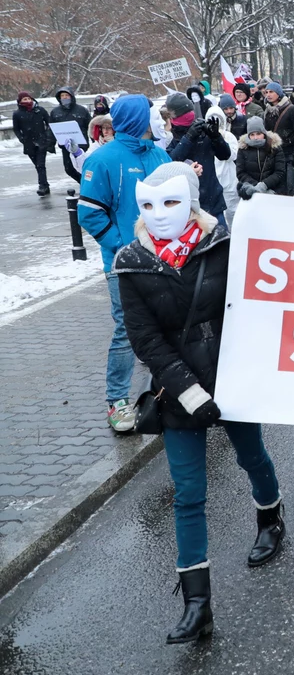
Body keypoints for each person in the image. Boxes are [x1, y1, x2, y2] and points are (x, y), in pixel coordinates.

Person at [114, 162, 285, 644]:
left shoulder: (224, 243)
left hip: (232, 378)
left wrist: (264, 211)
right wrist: (190, 392)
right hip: (179, 388)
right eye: (148, 205)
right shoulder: (132, 262)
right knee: (188, 493)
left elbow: (264, 291)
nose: (159, 214)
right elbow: (145, 340)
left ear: (191, 200)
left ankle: (271, 518)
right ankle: (197, 604)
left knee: (253, 457)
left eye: (170, 202)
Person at [78, 95, 172, 432]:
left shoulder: (159, 154)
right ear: (135, 119)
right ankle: (117, 401)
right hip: (124, 265)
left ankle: (167, 390)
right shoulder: (102, 159)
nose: (154, 121)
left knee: (167, 325)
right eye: (147, 116)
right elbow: (88, 213)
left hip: (164, 260)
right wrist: (123, 247)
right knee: (126, 331)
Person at [165, 92, 229, 224]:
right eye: (185, 113)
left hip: (213, 202)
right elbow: (170, 163)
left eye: (190, 111)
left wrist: (216, 137)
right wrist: (188, 138)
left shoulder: (202, 130)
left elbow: (225, 155)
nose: (189, 116)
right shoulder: (170, 137)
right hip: (188, 208)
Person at [261, 81, 294, 196]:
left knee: (291, 187)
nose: (268, 95)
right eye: (266, 92)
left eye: (271, 92)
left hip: (290, 153)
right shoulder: (267, 111)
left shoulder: (292, 109)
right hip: (275, 154)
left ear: (278, 94)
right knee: (279, 187)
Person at [12, 91, 55, 196]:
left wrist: (47, 136)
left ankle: (42, 186)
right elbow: (16, 129)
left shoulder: (40, 110)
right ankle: (45, 184)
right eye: (24, 99)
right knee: (37, 165)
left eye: (29, 98)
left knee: (40, 165)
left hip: (41, 141)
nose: (27, 101)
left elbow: (49, 123)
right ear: (20, 101)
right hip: (28, 143)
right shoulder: (17, 114)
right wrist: (21, 138)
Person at [204, 104, 240, 224]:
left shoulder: (229, 136)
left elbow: (233, 154)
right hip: (213, 179)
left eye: (218, 118)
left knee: (232, 210)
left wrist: (221, 141)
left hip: (229, 179)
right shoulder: (204, 137)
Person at [235, 116, 286, 199]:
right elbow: (240, 172)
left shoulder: (275, 147)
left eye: (258, 134)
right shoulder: (243, 148)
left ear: (264, 133)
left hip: (273, 191)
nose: (255, 138)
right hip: (250, 191)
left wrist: (265, 185)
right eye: (252, 134)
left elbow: (280, 171)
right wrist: (255, 186)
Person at [49, 86, 92, 183]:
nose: (64, 97)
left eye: (66, 95)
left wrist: (95, 138)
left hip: (81, 144)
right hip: (65, 145)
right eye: (62, 96)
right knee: (69, 168)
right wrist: (50, 144)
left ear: (71, 96)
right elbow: (52, 129)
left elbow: (90, 125)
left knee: (83, 166)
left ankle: (89, 185)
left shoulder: (81, 110)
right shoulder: (55, 112)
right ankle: (83, 183)